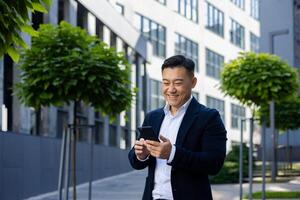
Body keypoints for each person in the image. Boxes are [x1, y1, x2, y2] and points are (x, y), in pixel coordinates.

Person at [128, 55, 227, 200]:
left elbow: (214, 164)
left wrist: (172, 153)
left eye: (178, 83)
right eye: (166, 83)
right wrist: (141, 155)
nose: (171, 89)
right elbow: (135, 161)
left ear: (193, 82)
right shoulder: (152, 117)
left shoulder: (209, 117)